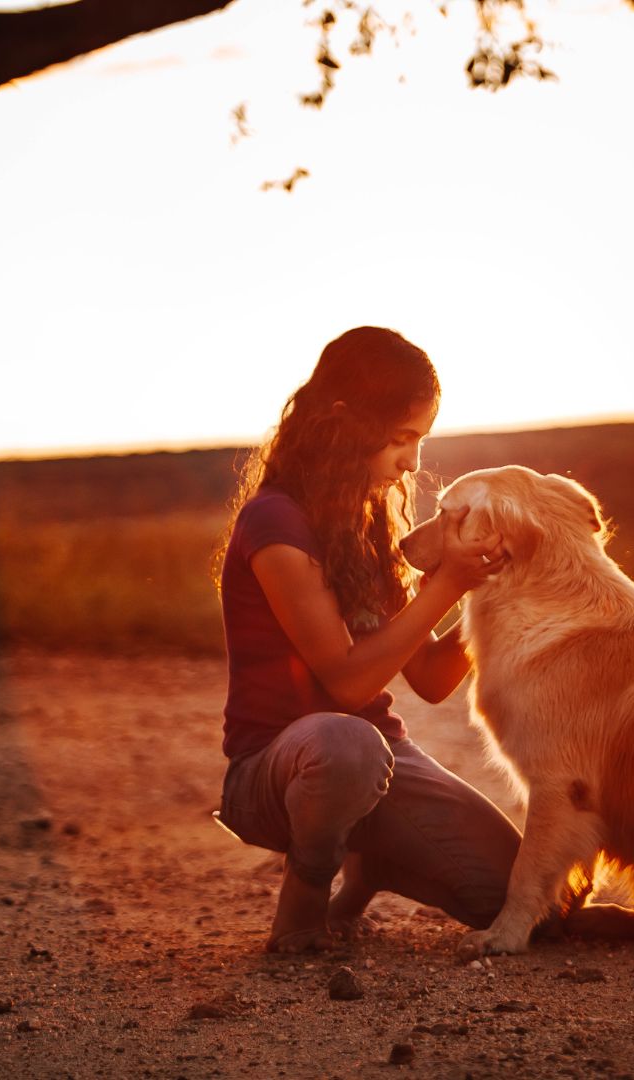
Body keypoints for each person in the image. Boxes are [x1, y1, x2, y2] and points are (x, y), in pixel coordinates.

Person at [215, 326, 521, 953]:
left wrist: (493, 581)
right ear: (342, 423)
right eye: (403, 438)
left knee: (512, 896)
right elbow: (349, 680)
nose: (413, 461)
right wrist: (448, 584)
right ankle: (302, 907)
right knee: (345, 741)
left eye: (421, 440)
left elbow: (432, 678)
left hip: (376, 765)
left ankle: (371, 863)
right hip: (279, 769)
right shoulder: (276, 522)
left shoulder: (368, 524)